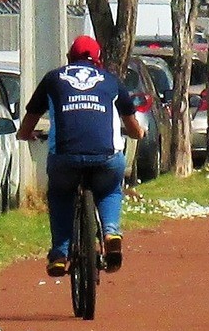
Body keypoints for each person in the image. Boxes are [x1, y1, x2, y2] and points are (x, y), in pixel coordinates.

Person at [18, 35, 145, 277]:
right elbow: (133, 126)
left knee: (60, 193)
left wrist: (26, 135)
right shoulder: (110, 81)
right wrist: (138, 133)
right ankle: (110, 233)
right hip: (106, 158)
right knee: (109, 189)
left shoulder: (53, 79)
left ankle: (59, 254)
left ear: (69, 58)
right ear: (99, 60)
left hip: (65, 158)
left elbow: (29, 121)